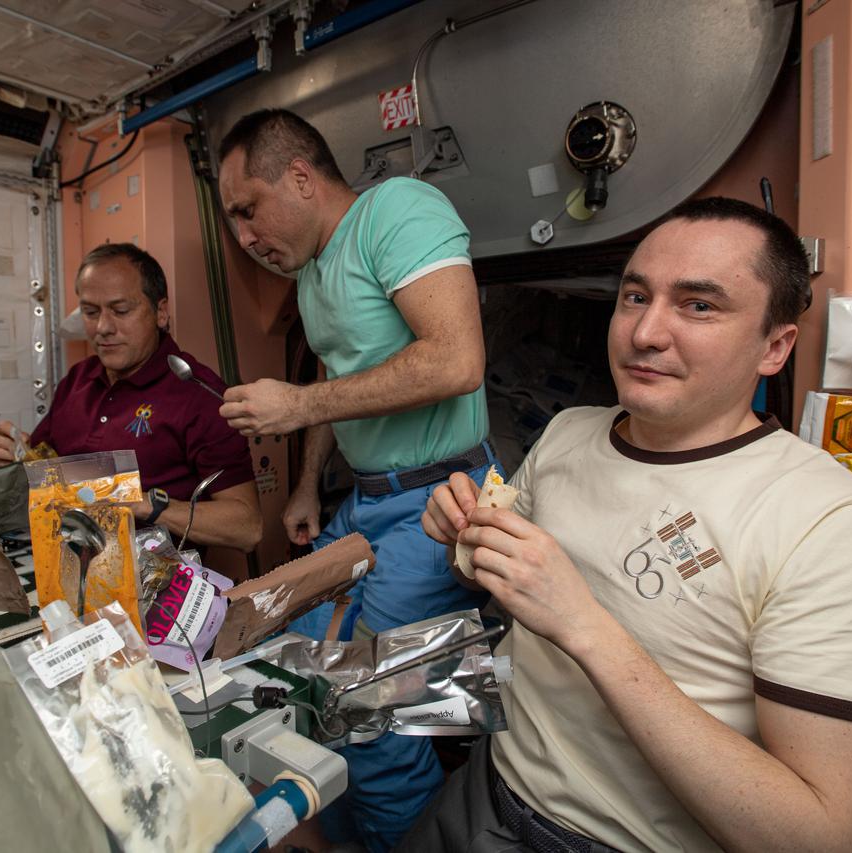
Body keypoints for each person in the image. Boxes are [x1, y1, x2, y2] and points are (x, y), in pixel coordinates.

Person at [411, 197, 852, 853]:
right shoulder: (570, 431)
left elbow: (824, 836)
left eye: (698, 305)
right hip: (485, 785)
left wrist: (586, 625)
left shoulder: (839, 526)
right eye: (634, 296)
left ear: (774, 345)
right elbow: (509, 582)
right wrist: (466, 536)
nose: (645, 331)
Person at [215, 109, 497, 850]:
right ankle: (342, 834)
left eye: (248, 209)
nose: (244, 236)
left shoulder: (397, 211)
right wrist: (310, 483)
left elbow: (454, 361)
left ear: (301, 177)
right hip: (367, 503)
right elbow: (351, 383)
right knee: (295, 674)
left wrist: (297, 400)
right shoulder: (313, 274)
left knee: (367, 709)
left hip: (441, 502)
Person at [0, 243, 262, 554]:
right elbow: (46, 466)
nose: (102, 328)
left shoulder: (198, 394)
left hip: (154, 584)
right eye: (90, 312)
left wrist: (147, 505)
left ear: (160, 312)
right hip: (64, 563)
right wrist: (16, 456)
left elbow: (247, 526)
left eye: (121, 311)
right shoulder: (77, 379)